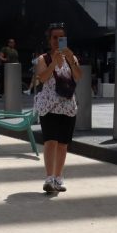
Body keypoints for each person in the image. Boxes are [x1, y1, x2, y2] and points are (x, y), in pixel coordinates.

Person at [33, 23, 81, 194]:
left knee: (62, 144)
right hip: (49, 106)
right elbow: (43, 78)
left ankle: (59, 178)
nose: (57, 41)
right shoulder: (43, 59)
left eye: (61, 38)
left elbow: (78, 76)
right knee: (50, 142)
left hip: (68, 106)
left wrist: (71, 60)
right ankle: (49, 177)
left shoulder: (71, 57)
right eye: (54, 37)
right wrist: (54, 63)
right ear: (49, 39)